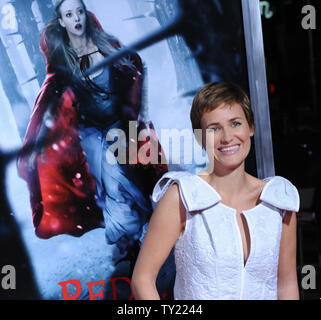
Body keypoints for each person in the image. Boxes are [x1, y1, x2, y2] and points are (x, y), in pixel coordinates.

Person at [17, 0, 169, 281]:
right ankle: (130, 243)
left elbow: (134, 71)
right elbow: (48, 103)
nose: (76, 18)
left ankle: (138, 239)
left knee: (129, 180)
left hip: (119, 126)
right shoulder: (63, 63)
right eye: (69, 15)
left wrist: (136, 116)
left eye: (79, 12)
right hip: (86, 133)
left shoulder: (109, 47)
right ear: (62, 21)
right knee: (106, 179)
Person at [131, 82, 300, 300]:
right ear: (200, 138)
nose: (227, 137)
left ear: (250, 128)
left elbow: (286, 285)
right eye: (214, 128)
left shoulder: (279, 200)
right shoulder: (182, 197)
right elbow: (142, 279)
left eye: (235, 123)